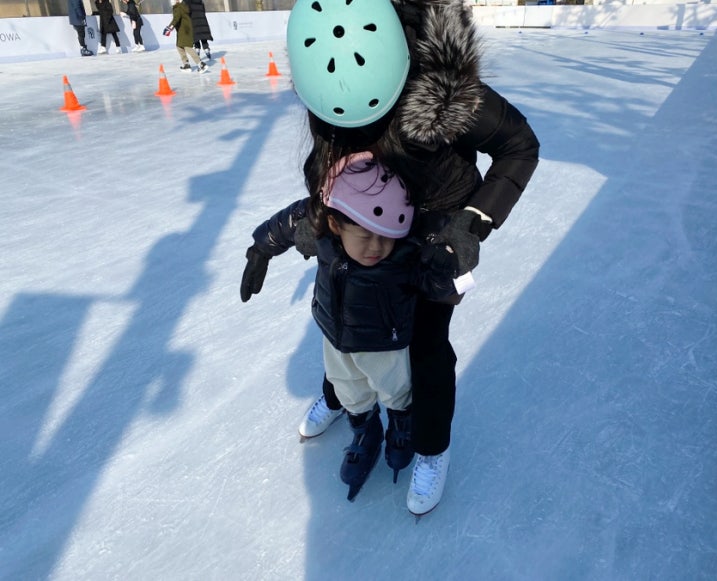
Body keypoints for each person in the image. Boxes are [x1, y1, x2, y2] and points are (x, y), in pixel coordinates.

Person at [241, 0, 540, 516]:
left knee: (423, 345)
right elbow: (327, 171)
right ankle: (340, 396)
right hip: (361, 226)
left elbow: (519, 146)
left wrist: (470, 226)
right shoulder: (326, 65)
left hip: (434, 239)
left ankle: (429, 446)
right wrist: (292, 232)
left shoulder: (442, 92)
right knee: (345, 323)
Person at [246, 152, 458, 502]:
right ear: (335, 225)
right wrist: (261, 248)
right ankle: (365, 430)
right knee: (348, 389)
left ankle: (401, 428)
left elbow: (436, 273)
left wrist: (450, 279)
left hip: (386, 344)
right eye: (365, 236)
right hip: (336, 337)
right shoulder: (326, 236)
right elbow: (290, 219)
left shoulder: (402, 254)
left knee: (397, 389)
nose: (377, 248)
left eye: (386, 237)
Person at [165, 0, 208, 73]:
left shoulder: (178, 7)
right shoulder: (183, 6)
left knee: (187, 47)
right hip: (185, 30)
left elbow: (176, 19)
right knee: (179, 46)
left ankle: (201, 64)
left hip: (184, 31)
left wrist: (169, 28)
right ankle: (186, 65)